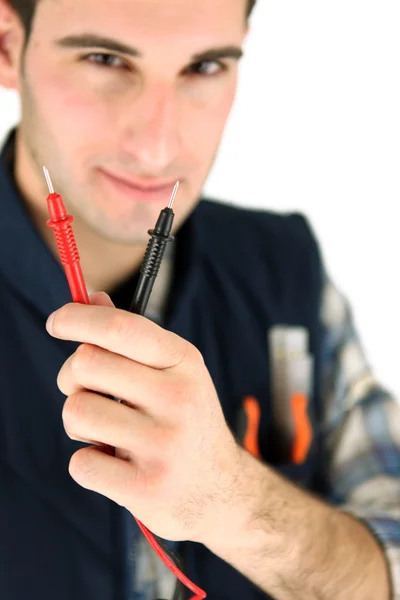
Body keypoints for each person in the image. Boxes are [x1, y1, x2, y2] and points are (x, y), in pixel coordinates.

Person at [0, 0, 399, 598]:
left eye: (205, 66)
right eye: (104, 58)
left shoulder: (286, 269)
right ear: (8, 46)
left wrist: (237, 503)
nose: (158, 147)